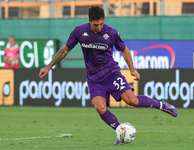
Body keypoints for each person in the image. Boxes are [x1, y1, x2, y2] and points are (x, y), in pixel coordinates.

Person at [39, 5, 178, 145]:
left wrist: (132, 70)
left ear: (103, 20)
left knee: (132, 101)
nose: (98, 27)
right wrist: (49, 66)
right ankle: (120, 132)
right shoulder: (79, 31)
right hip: (94, 79)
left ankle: (161, 105)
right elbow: (65, 50)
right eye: (95, 25)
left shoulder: (111, 33)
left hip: (111, 73)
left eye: (101, 24)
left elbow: (124, 51)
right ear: (89, 21)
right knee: (100, 108)